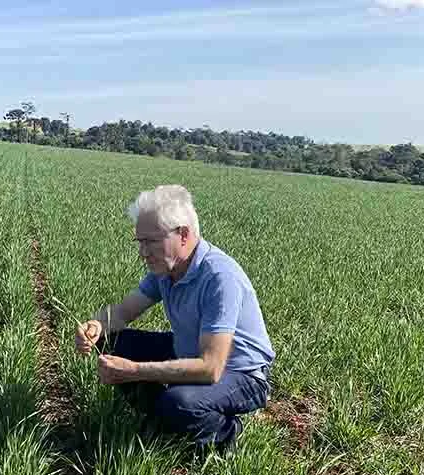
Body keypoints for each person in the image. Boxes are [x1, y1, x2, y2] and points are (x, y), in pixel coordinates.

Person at [74, 184, 275, 455]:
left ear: (183, 234)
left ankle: (225, 433)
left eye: (151, 241)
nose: (143, 252)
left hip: (241, 373)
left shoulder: (219, 277)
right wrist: (96, 326)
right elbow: (122, 313)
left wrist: (132, 371)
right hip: (191, 349)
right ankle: (160, 420)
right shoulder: (166, 270)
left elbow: (211, 368)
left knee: (180, 403)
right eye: (140, 242)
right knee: (111, 341)